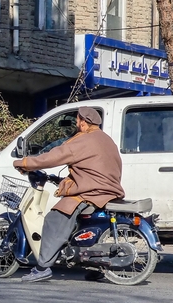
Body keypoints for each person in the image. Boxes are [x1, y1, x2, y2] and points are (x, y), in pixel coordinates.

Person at [14, 106, 124, 283]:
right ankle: (93, 267)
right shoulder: (105, 139)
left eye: (78, 119)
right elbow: (92, 168)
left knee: (54, 218)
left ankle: (42, 267)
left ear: (83, 123)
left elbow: (53, 157)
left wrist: (25, 163)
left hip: (91, 193)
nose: (76, 122)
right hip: (108, 190)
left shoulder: (82, 140)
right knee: (80, 225)